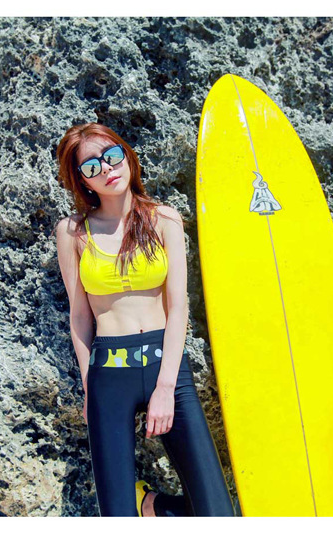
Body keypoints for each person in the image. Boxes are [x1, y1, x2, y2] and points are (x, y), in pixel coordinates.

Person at [54, 123, 234, 517]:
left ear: (127, 155)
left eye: (112, 155)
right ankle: (137, 506)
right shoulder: (73, 232)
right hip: (108, 373)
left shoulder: (163, 219)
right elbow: (80, 316)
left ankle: (152, 504)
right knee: (117, 515)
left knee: (218, 514)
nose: (106, 168)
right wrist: (88, 385)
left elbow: (178, 308)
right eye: (92, 166)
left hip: (165, 367)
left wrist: (166, 388)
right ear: (82, 180)